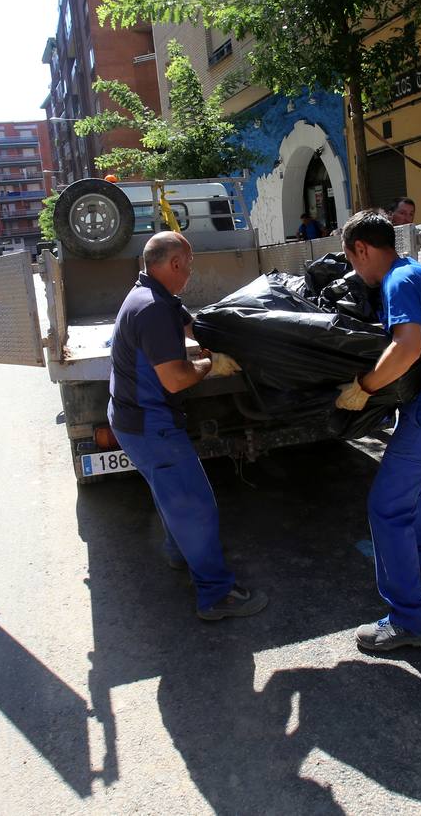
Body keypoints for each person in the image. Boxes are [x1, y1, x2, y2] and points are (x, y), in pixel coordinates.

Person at [108, 231, 268, 621]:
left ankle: (179, 553)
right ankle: (216, 594)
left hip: (133, 421)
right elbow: (176, 378)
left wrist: (230, 340)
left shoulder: (153, 295)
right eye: (190, 263)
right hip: (151, 425)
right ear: (175, 263)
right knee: (194, 505)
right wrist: (211, 364)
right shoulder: (151, 309)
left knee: (172, 495)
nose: (191, 271)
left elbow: (192, 326)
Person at [334, 209, 421, 652]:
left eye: (354, 261)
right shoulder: (416, 272)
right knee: (406, 487)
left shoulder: (397, 282)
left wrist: (363, 387)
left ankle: (410, 621)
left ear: (362, 249)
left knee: (385, 505)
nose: (357, 271)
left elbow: (407, 347)